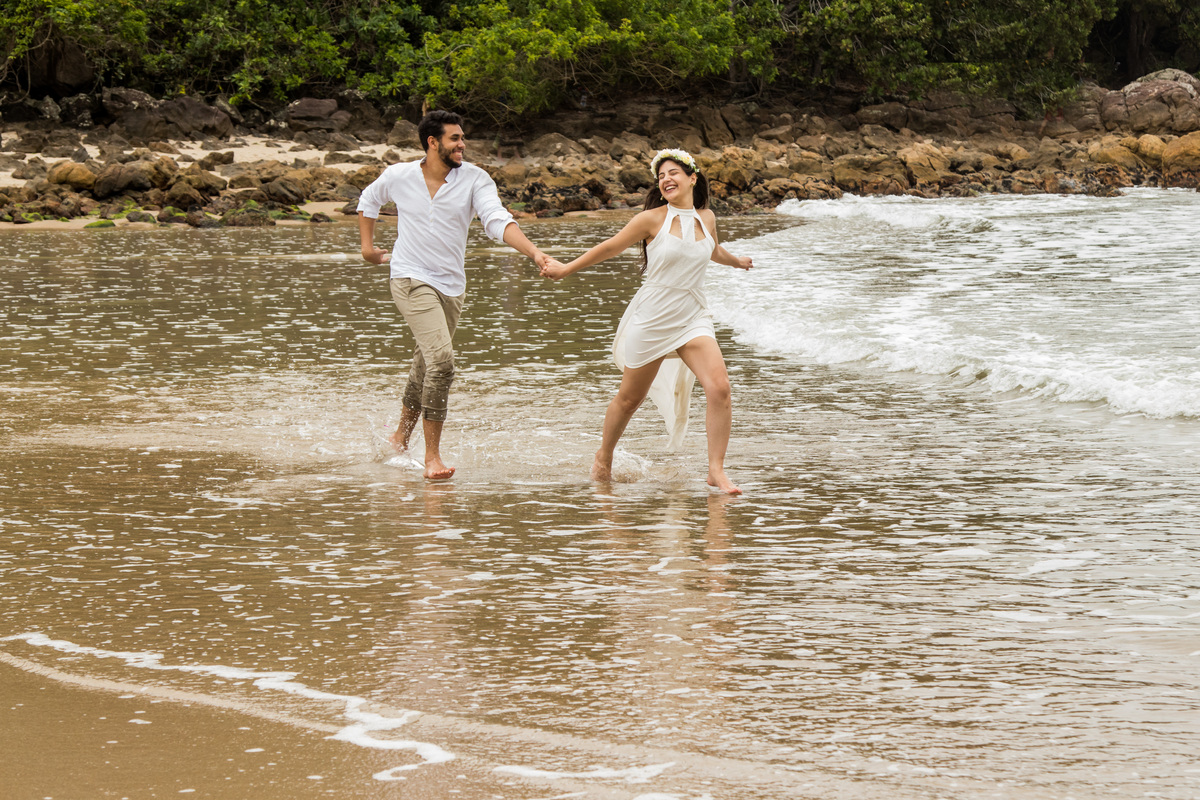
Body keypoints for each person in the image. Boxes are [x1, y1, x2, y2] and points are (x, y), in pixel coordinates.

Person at [358, 110, 558, 480]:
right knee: (442, 362)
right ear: (433, 142)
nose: (462, 144)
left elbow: (496, 220)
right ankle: (432, 456)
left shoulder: (474, 179)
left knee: (425, 364)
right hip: (409, 277)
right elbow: (369, 200)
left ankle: (399, 437)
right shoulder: (400, 175)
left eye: (462, 137)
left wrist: (533, 252)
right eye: (454, 138)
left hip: (451, 287)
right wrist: (368, 249)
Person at [540, 149, 753, 494]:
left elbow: (713, 250)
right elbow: (609, 247)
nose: (666, 180)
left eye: (673, 173)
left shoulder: (707, 218)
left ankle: (716, 470)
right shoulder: (651, 220)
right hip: (654, 316)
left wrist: (737, 262)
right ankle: (604, 457)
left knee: (720, 388)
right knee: (629, 399)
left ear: (692, 178)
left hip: (692, 314)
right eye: (661, 176)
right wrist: (566, 269)